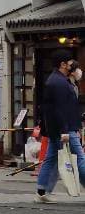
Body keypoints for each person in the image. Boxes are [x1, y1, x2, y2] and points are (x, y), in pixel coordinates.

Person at [36, 51, 85, 203]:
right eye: (71, 63)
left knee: (51, 159)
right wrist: (64, 131)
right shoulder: (59, 83)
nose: (73, 66)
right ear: (63, 64)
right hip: (65, 128)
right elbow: (59, 109)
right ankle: (42, 191)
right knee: (80, 159)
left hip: (59, 128)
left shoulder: (58, 80)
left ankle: (42, 191)